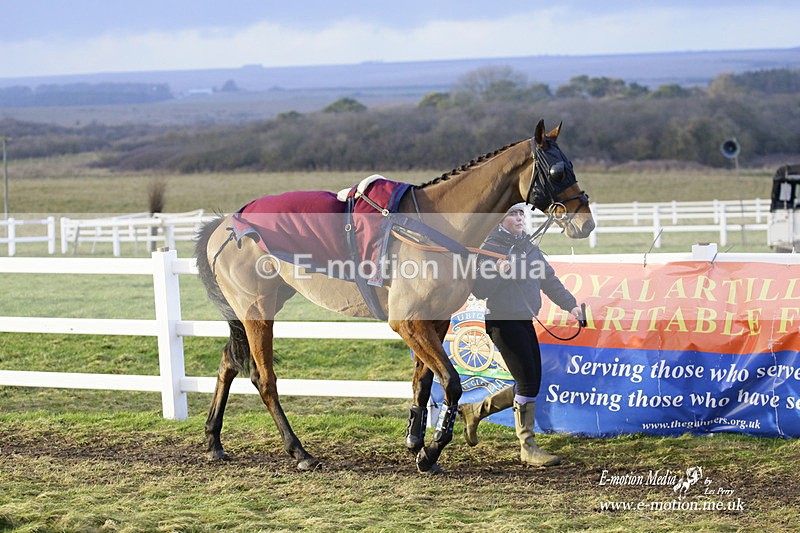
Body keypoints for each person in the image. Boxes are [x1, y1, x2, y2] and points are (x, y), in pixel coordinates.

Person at [459, 202, 582, 467]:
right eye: (512, 214)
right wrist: (499, 272)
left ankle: (475, 410)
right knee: (527, 383)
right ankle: (527, 447)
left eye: (520, 214)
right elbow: (480, 289)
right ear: (499, 220)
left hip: (524, 320)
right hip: (502, 322)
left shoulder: (529, 247)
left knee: (531, 381)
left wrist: (571, 305)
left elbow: (549, 280)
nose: (518, 218)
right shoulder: (490, 248)